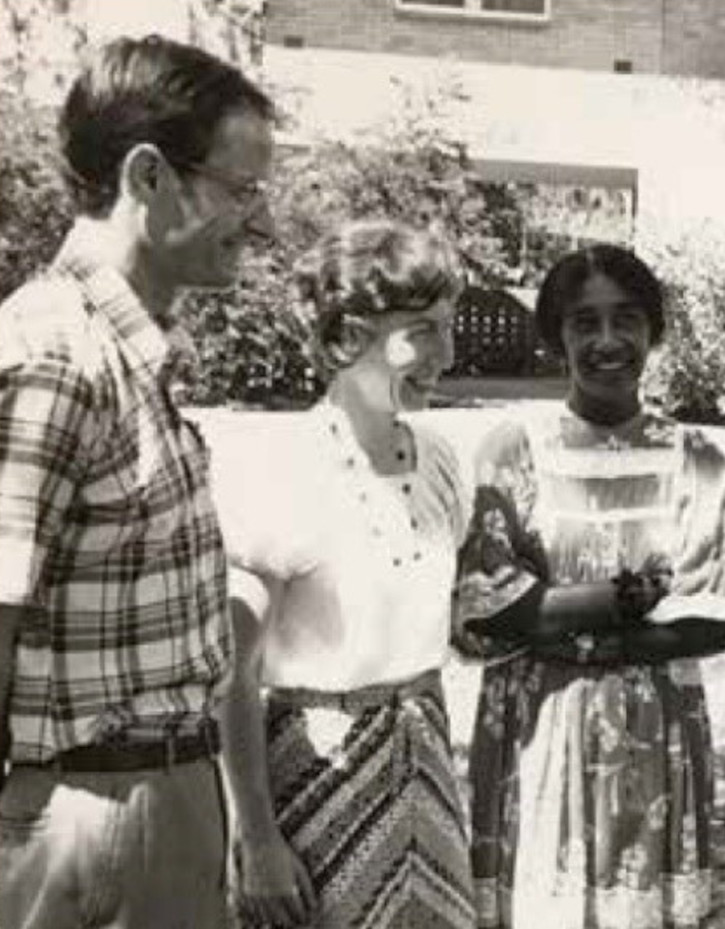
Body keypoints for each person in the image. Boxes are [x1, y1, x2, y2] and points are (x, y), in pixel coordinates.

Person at [0, 36, 274, 929]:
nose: (258, 222)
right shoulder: (54, 354)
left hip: (162, 800)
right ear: (148, 176)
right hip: (88, 816)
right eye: (241, 190)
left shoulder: (130, 350)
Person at [453, 244, 725, 929]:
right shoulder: (514, 450)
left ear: (654, 330)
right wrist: (622, 604)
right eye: (585, 323)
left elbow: (711, 619)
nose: (608, 341)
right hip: (539, 725)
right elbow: (489, 609)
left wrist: (561, 626)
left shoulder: (697, 459)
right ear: (558, 334)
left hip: (657, 727)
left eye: (627, 320)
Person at [211, 219, 475, 929]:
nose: (444, 354)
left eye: (450, 327)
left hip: (426, 769)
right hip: (312, 780)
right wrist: (256, 837)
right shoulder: (282, 472)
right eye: (421, 330)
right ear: (345, 336)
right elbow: (232, 671)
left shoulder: (444, 463)